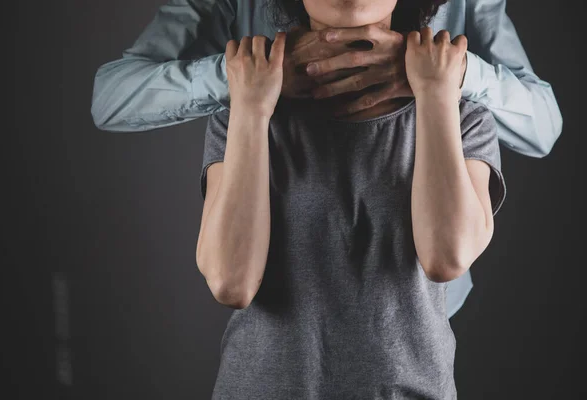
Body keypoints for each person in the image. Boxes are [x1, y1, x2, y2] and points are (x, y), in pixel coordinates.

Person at [91, 0, 562, 320]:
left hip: (416, 307)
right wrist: (247, 76)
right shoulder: (234, 100)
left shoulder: (467, 91)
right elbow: (112, 99)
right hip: (277, 301)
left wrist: (450, 74)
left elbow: (543, 125)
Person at [195, 0, 505, 397]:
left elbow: (448, 258)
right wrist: (252, 112)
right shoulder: (241, 112)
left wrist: (435, 96)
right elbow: (230, 282)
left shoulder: (465, 116)